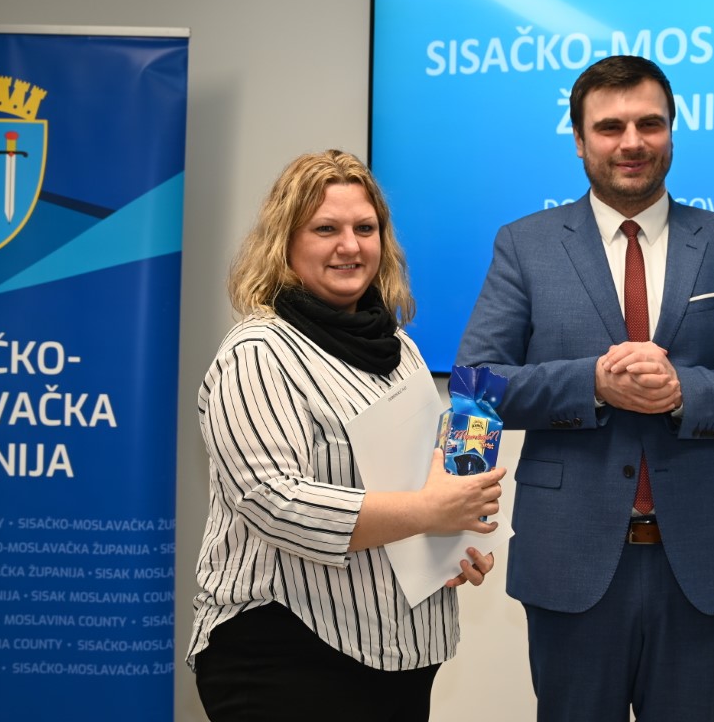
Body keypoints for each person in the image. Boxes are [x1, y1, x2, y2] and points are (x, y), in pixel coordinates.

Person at [456, 56, 714, 721]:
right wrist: (592, 383)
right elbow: (476, 389)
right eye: (610, 127)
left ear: (672, 130)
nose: (632, 142)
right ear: (579, 139)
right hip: (569, 562)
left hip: (704, 565)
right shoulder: (525, 246)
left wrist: (684, 393)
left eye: (650, 124)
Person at [187, 149, 506, 722]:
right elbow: (275, 503)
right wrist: (430, 512)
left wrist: (449, 548)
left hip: (399, 650)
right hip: (284, 653)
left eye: (365, 228)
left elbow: (412, 481)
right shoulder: (257, 353)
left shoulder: (400, 348)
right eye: (325, 229)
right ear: (285, 243)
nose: (350, 246)